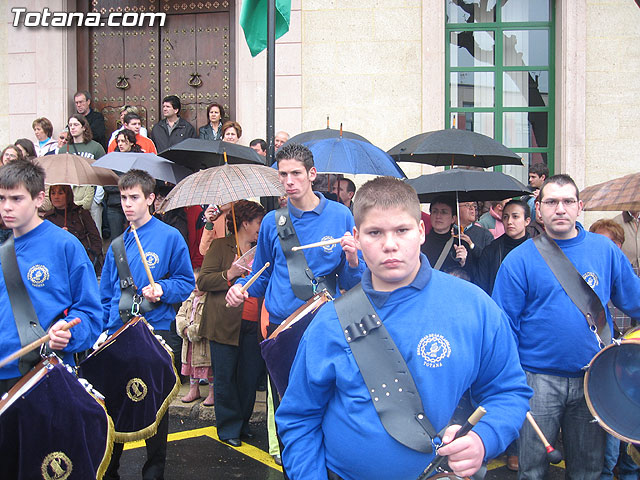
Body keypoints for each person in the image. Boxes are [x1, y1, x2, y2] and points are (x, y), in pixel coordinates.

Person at [276, 176, 532, 479]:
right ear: (356, 238)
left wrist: (483, 439)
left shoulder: (474, 307)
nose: (390, 244)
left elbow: (508, 391)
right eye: (375, 232)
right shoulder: (329, 322)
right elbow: (298, 418)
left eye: (402, 230)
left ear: (421, 231)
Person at [492, 174, 640, 480]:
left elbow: (635, 300)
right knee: (531, 469)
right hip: (536, 380)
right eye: (551, 202)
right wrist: (510, 381)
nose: (560, 208)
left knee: (587, 470)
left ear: (579, 207)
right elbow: (503, 326)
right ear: (539, 209)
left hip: (594, 379)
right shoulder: (518, 260)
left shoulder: (605, 250)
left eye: (567, 201)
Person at [225, 143, 364, 469]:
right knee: (287, 406)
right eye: (283, 174)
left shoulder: (340, 215)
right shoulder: (274, 222)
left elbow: (351, 280)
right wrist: (239, 290)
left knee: (326, 400)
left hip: (323, 323)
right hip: (282, 327)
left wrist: (354, 257)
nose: (289, 181)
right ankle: (293, 469)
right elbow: (262, 274)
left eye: (296, 174)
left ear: (312, 175)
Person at [100, 169, 194, 480]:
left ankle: (154, 472)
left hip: (156, 332)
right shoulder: (117, 245)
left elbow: (186, 282)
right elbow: (106, 296)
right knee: (115, 405)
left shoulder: (170, 237)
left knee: (155, 404)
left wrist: (163, 289)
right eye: (123, 198)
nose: (127, 204)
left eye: (134, 197)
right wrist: (102, 331)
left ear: (150, 199)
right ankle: (110, 469)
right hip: (119, 334)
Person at [0, 160, 101, 394]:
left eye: (16, 199)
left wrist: (68, 331)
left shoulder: (65, 245)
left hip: (43, 374)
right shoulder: (4, 249)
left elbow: (90, 313)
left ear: (38, 198)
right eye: (2, 198)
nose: (7, 207)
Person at [198, 200, 266, 446]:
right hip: (224, 323)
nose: (262, 228)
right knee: (226, 377)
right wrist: (230, 274)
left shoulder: (262, 249)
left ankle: (243, 423)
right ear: (245, 223)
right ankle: (228, 428)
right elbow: (203, 281)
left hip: (254, 322)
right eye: (259, 223)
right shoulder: (220, 246)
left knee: (248, 378)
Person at [44, 185, 103, 277]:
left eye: (60, 193)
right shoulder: (49, 218)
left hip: (83, 262)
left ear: (68, 195)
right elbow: (45, 244)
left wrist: (91, 257)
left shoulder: (81, 213)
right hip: (59, 265)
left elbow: (95, 238)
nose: (56, 197)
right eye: (53, 193)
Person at [475, 199, 531, 296]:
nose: (509, 221)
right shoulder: (491, 251)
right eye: (505, 217)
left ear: (527, 221)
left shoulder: (537, 249)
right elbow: (482, 287)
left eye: (515, 217)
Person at [176, 269, 214, 406]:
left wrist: (193, 331)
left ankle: (212, 392)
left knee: (207, 367)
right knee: (191, 367)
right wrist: (184, 329)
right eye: (193, 283)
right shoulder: (188, 299)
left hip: (203, 344)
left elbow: (208, 322)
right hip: (188, 342)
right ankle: (194, 390)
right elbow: (179, 315)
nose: (195, 287)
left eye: (199, 283)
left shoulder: (209, 300)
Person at [421, 196, 471, 276]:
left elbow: (470, 277)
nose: (438, 216)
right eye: (435, 211)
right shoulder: (420, 242)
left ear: (453, 219)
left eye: (444, 212)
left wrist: (464, 263)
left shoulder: (461, 245)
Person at [455, 201, 494, 265]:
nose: (472, 208)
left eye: (474, 206)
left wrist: (471, 245)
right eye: (467, 205)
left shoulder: (485, 234)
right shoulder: (447, 231)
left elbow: (490, 259)